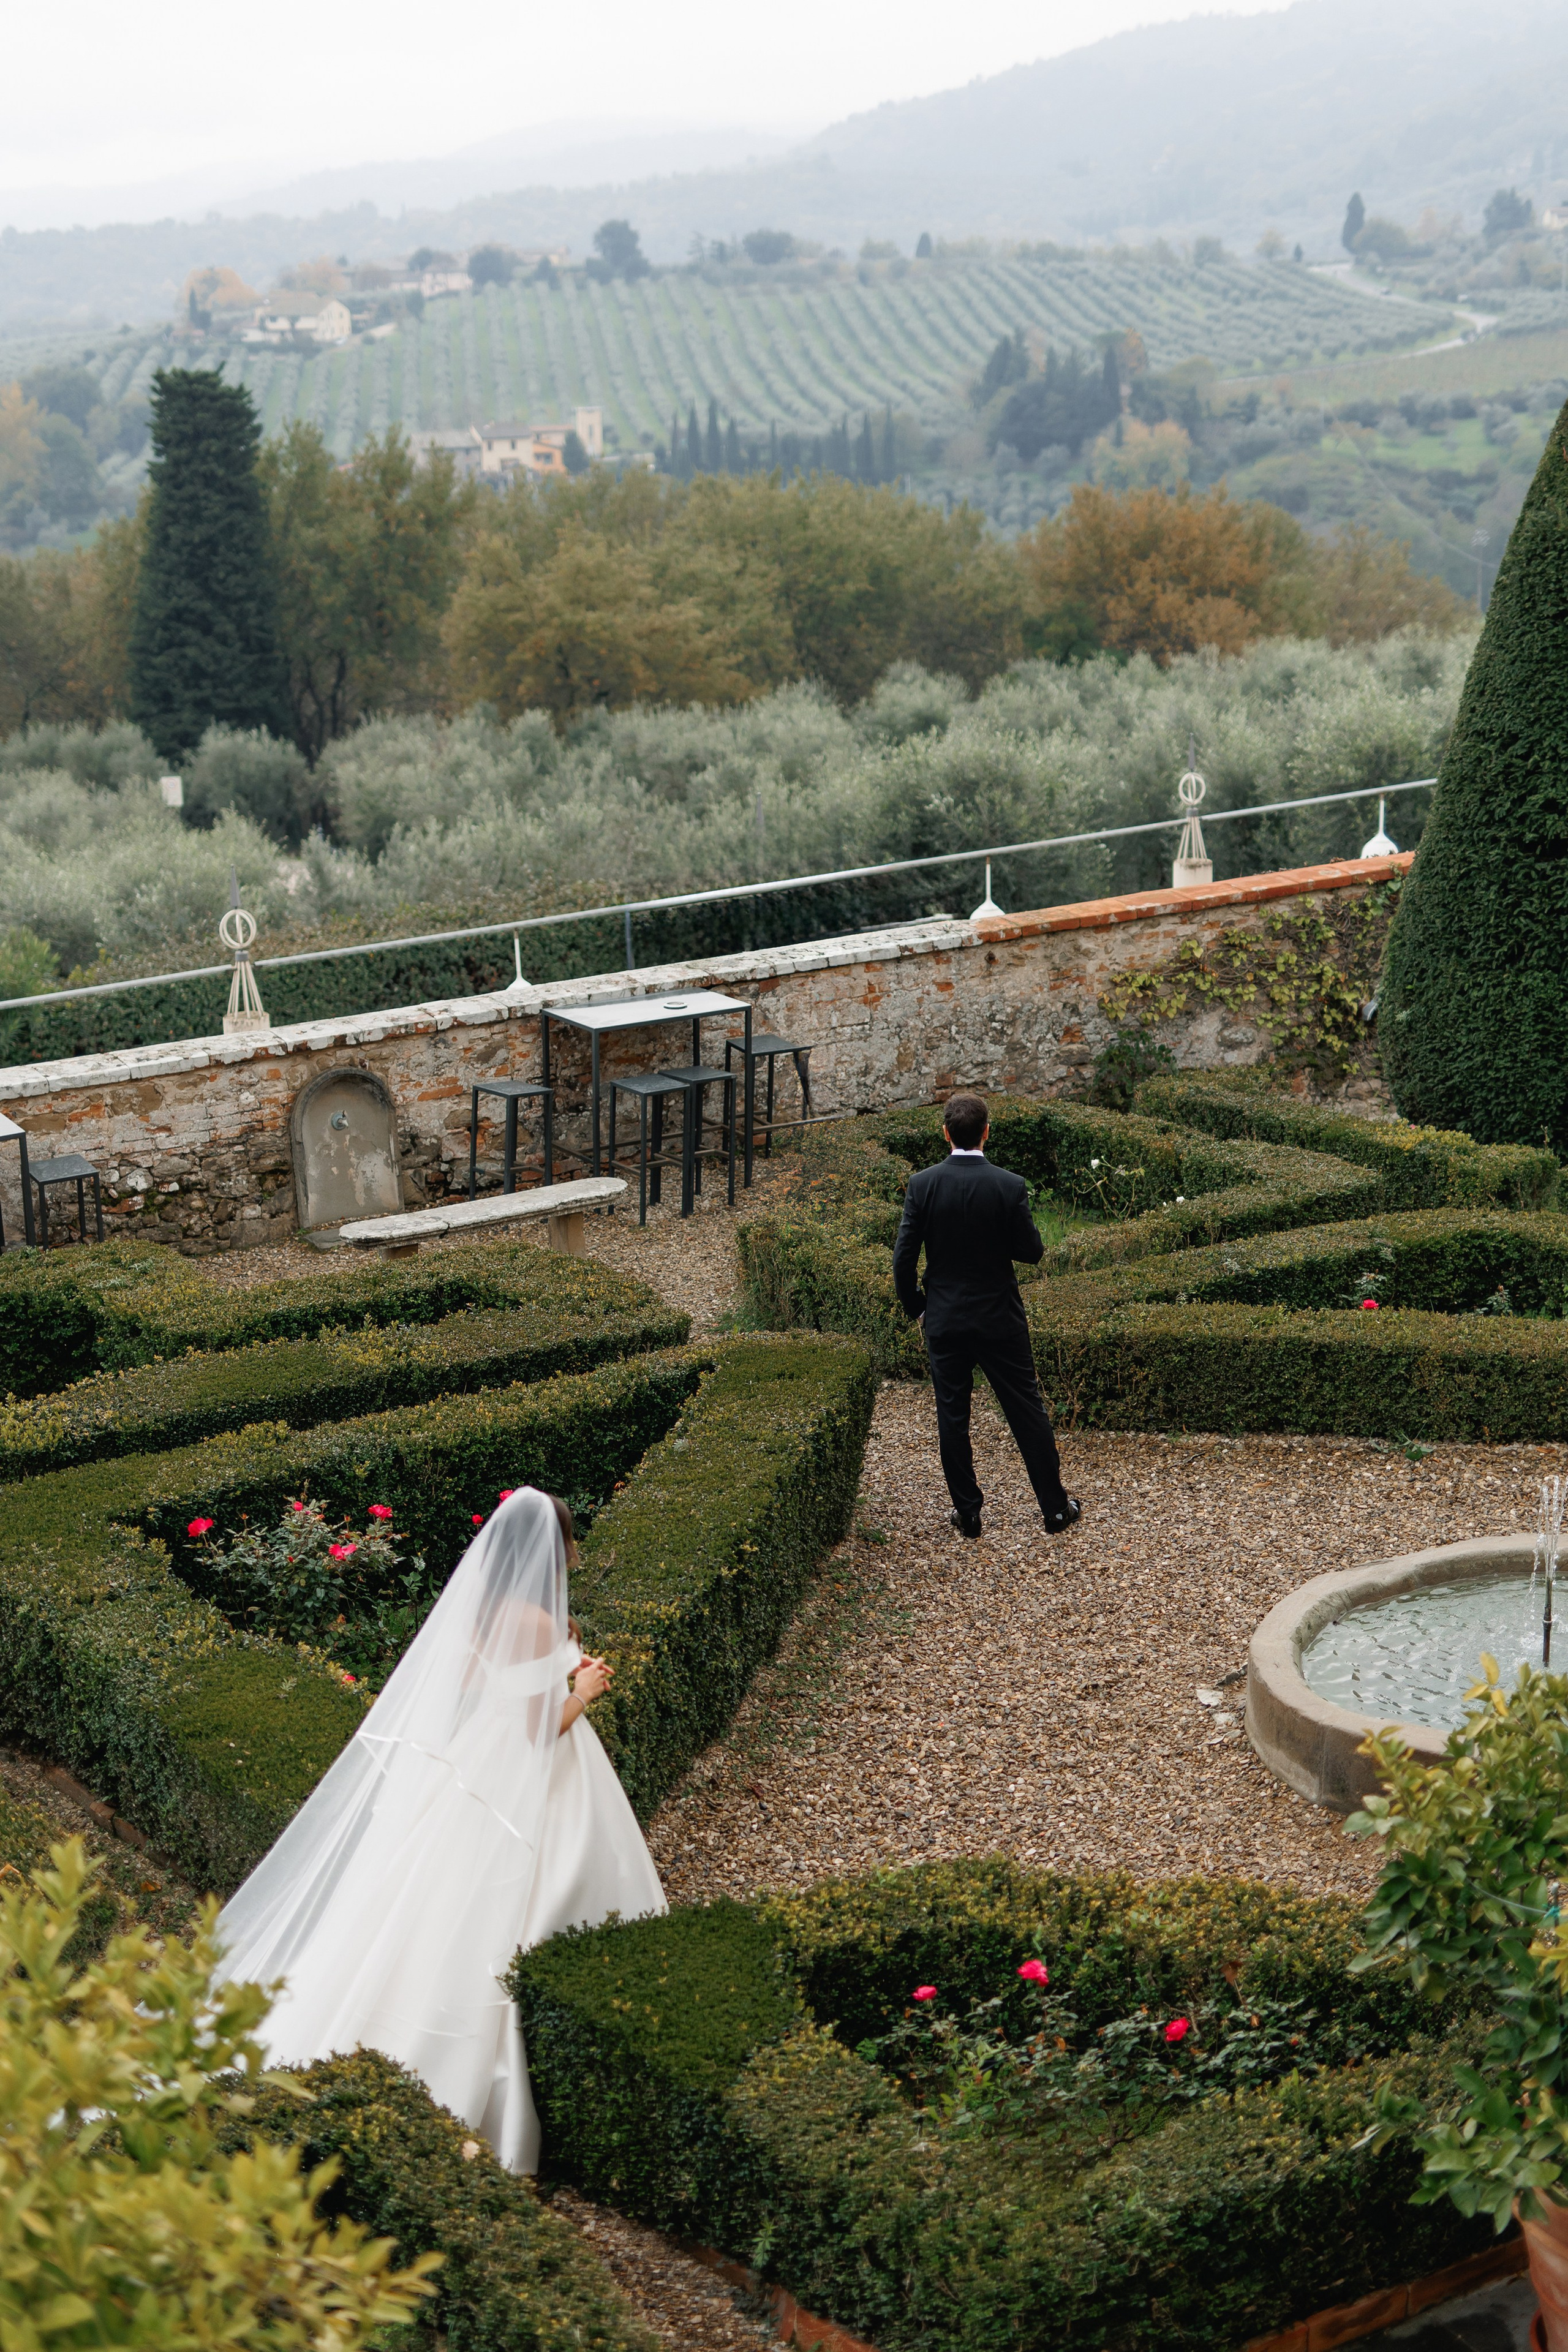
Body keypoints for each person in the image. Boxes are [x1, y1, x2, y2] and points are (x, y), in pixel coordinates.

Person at [215, 1486, 665, 2174]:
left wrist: (562, 1671)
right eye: (569, 1541)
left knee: (438, 1896)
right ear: (549, 1547)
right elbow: (534, 1731)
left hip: (474, 1762)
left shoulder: (484, 1609)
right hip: (532, 1775)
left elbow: (488, 1691)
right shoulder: (539, 1620)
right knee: (533, 1891)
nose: (574, 1553)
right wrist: (584, 1691)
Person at [892, 1090, 1081, 1542]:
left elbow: (903, 1259)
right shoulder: (1008, 1184)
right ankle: (1055, 1510)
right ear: (986, 1133)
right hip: (999, 1319)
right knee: (1026, 1411)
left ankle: (968, 1515)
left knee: (952, 1416)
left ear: (945, 1134)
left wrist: (918, 1306)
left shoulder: (922, 1184)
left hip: (946, 1320)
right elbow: (1032, 1252)